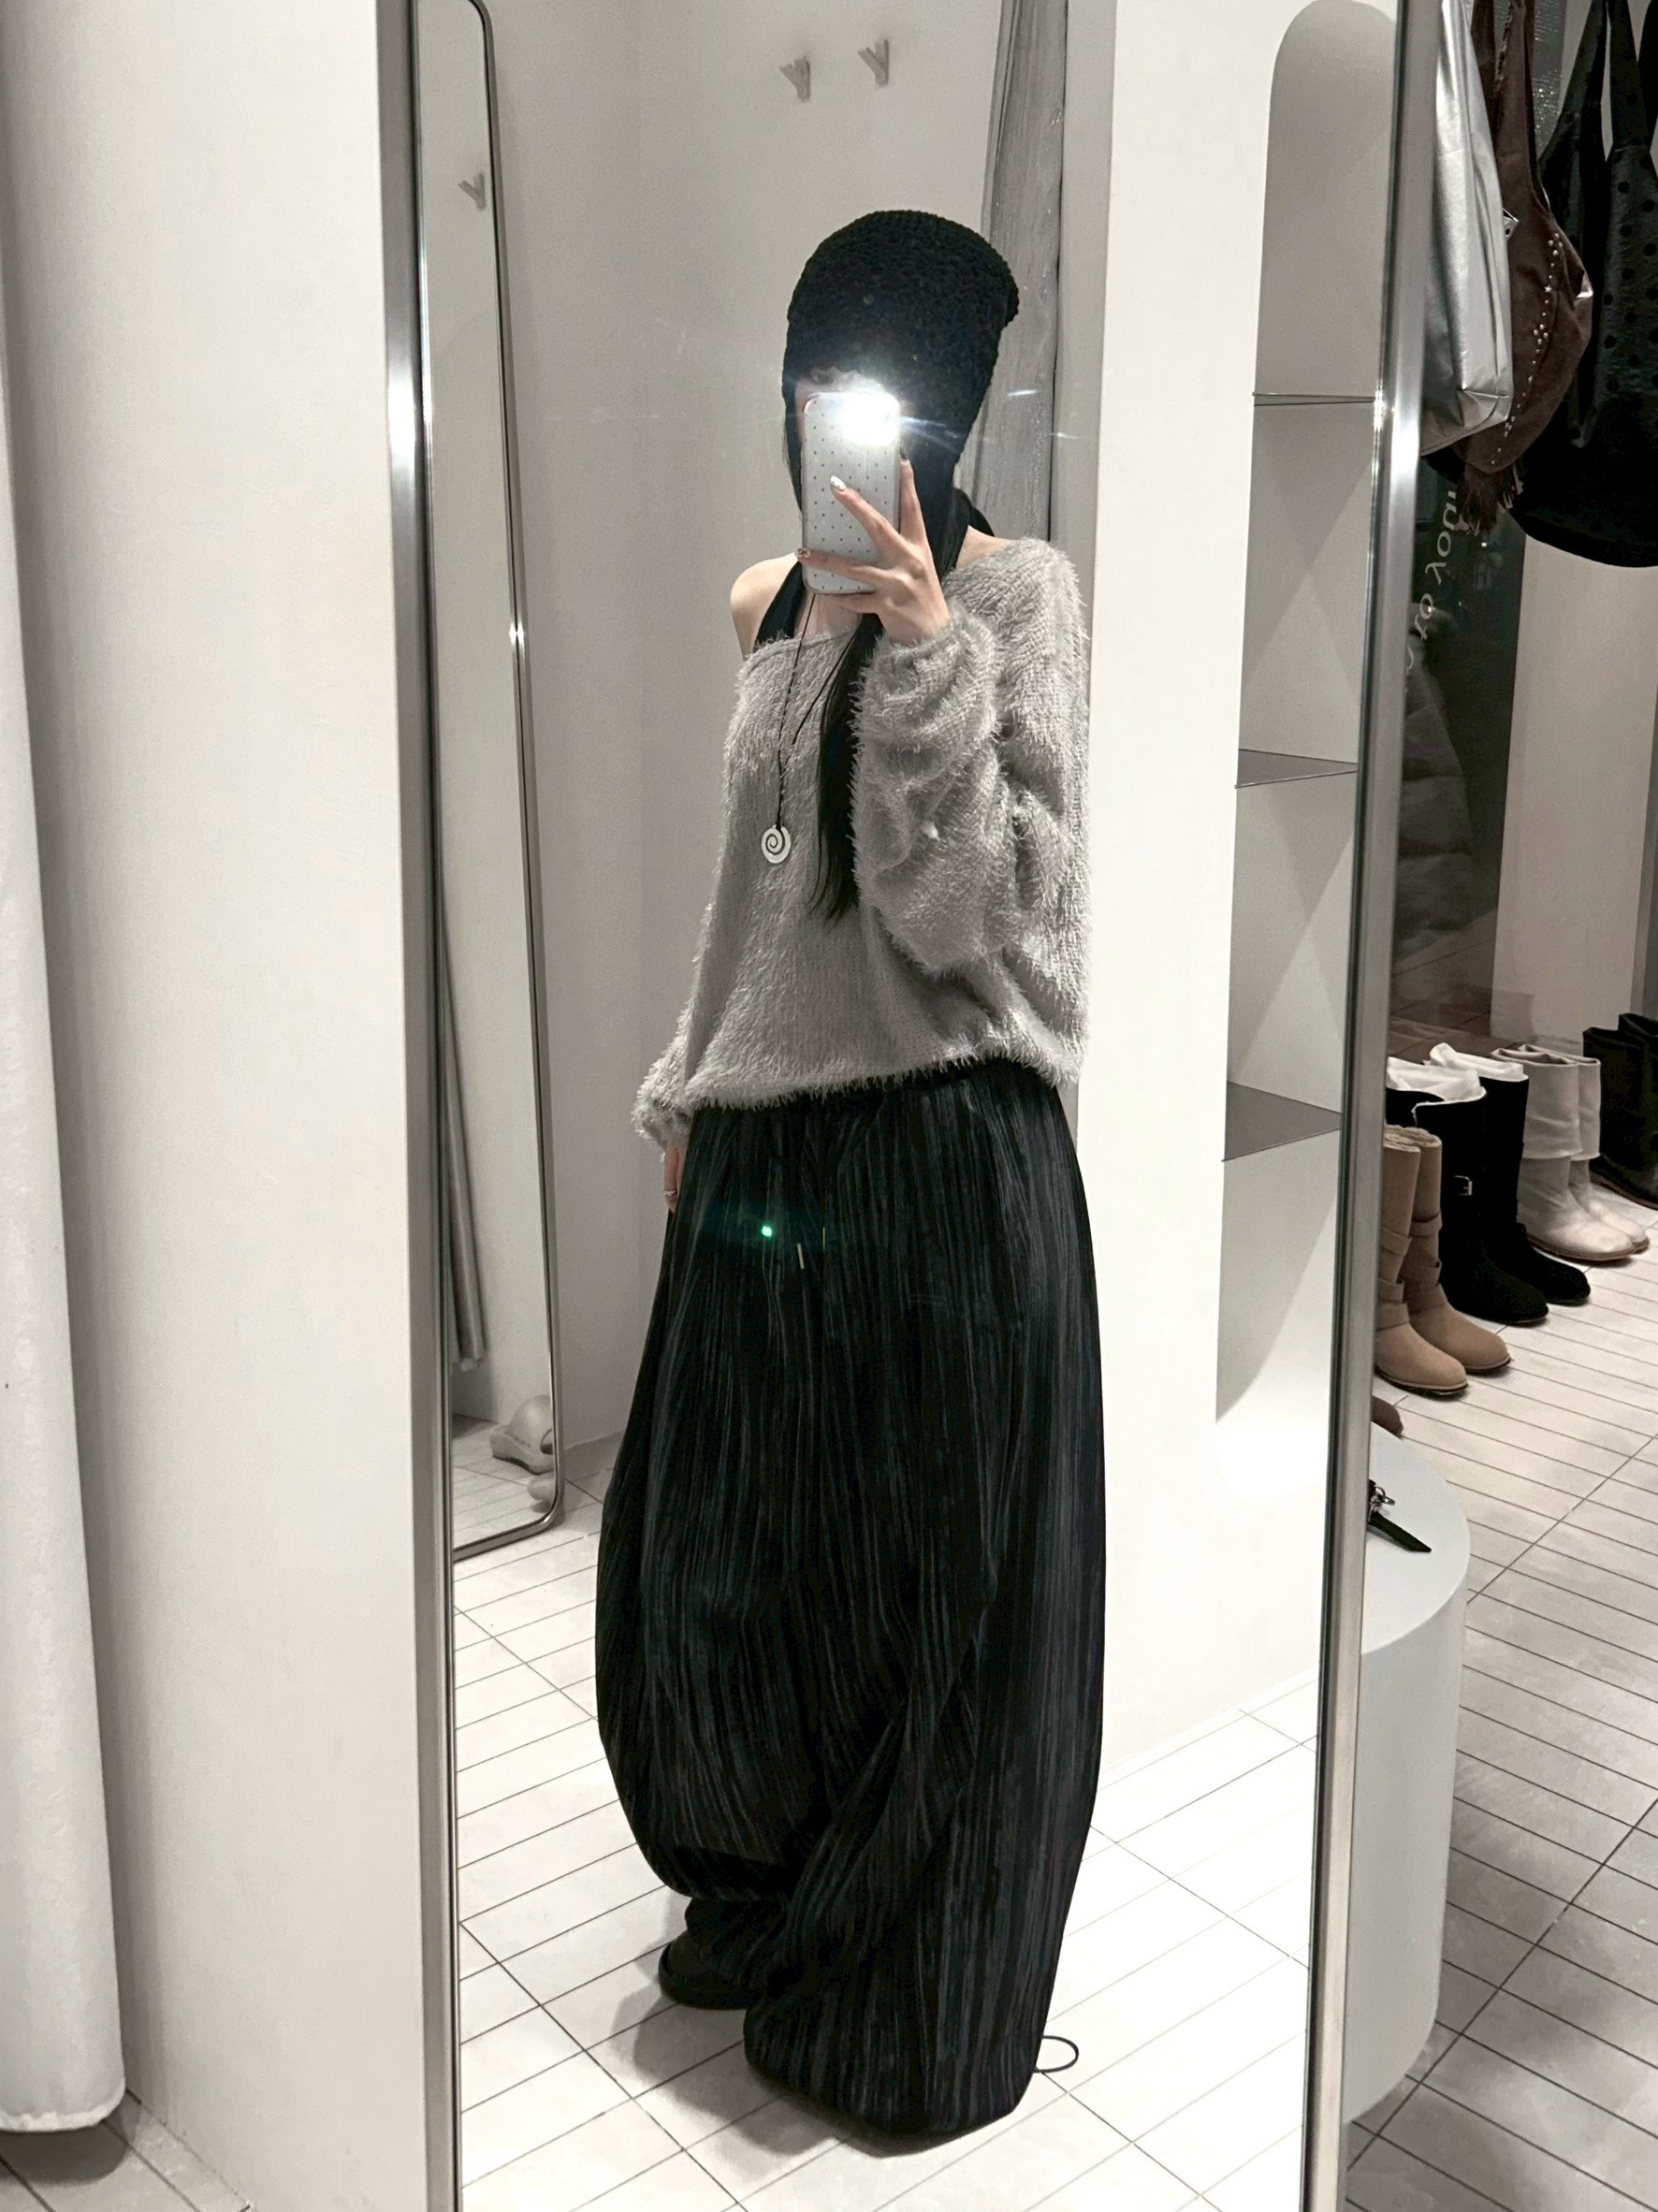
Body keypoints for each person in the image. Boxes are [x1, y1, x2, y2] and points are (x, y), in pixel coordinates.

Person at [595, 209, 1104, 2138]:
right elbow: (756, 896)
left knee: (939, 1608)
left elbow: (976, 916)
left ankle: (909, 1992)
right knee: (716, 1578)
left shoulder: (1021, 598)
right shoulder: (758, 597)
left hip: (947, 1148)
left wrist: (925, 647)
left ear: (961, 410)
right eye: (820, 379)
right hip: (766, 1152)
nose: (845, 418)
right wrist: (689, 1092)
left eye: (889, 388)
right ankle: (770, 1892)